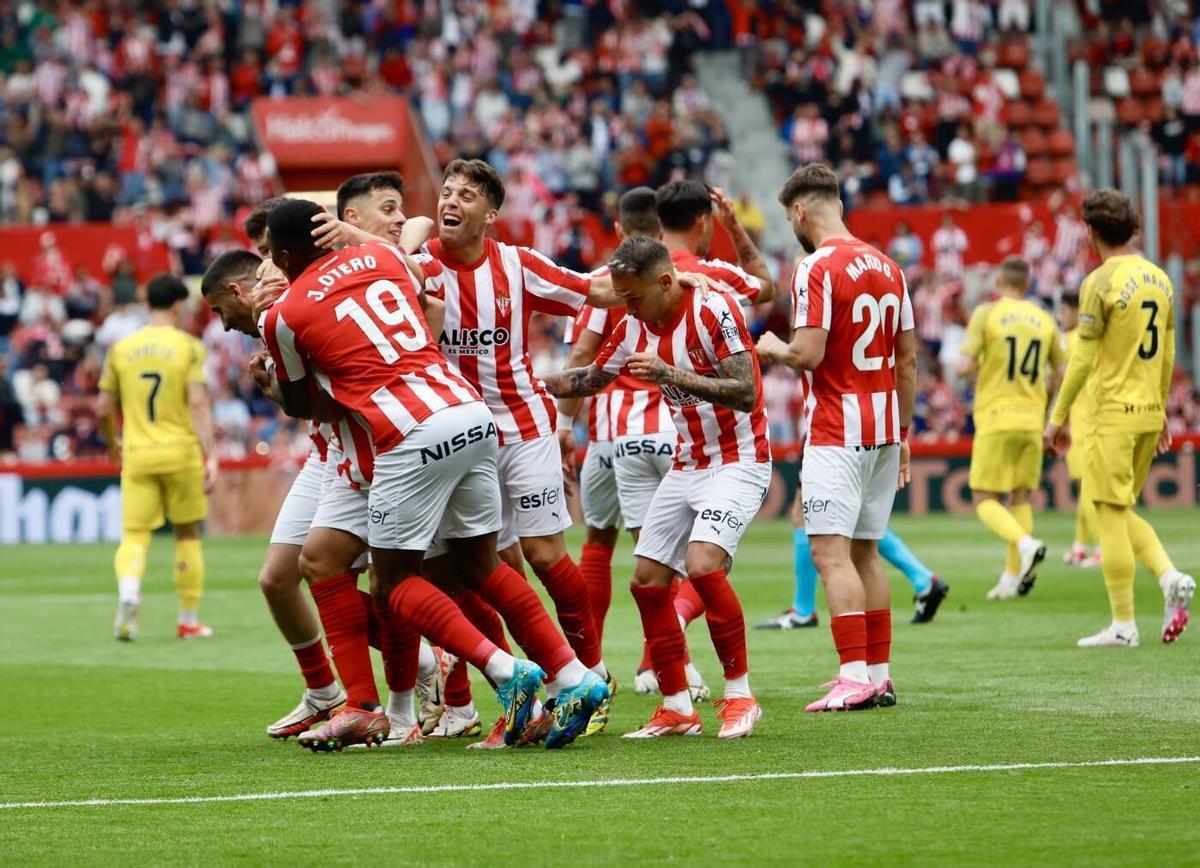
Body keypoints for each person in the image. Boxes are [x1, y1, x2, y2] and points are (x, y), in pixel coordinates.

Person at [252, 198, 610, 749]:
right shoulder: (385, 256)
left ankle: (503, 674)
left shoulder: (283, 314)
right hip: (467, 411)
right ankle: (575, 676)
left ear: (280, 257)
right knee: (479, 565)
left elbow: (305, 405)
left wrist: (270, 376)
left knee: (393, 582)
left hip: (405, 436)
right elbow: (420, 279)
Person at [544, 235, 769, 740]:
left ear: (666, 282)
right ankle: (676, 708)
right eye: (621, 297)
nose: (627, 308)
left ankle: (740, 696)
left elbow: (746, 391)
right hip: (686, 463)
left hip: (739, 460)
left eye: (633, 297)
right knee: (646, 580)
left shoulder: (714, 310)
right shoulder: (633, 325)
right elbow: (593, 378)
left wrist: (672, 374)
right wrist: (530, 386)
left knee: (703, 565)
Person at [423, 159, 618, 730]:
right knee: (494, 568)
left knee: (545, 554)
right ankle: (541, 686)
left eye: (467, 195)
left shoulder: (516, 264)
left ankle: (594, 674)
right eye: (447, 192)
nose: (451, 201)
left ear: (491, 213)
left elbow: (595, 290)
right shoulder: (419, 267)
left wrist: (672, 279)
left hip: (524, 426)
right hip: (460, 439)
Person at [756, 162, 917, 712]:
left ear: (800, 212)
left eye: (790, 219)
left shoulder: (816, 266)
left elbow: (807, 354)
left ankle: (852, 676)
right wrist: (904, 431)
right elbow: (908, 361)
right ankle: (878, 675)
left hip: (835, 428)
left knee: (830, 553)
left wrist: (771, 347)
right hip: (884, 427)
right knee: (867, 552)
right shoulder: (891, 268)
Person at [558, 187, 709, 706]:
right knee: (678, 555)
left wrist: (563, 424)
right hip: (673, 430)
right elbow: (762, 287)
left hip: (610, 435)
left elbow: (582, 355)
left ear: (619, 229)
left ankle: (590, 662)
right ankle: (665, 660)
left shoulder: (607, 283)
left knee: (599, 543)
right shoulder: (686, 274)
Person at [1045, 189, 1195, 647]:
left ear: (1091, 232)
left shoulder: (1100, 282)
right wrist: (1163, 408)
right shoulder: (1160, 279)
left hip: (1112, 413)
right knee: (1119, 508)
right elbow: (1168, 352)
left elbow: (1083, 358)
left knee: (1107, 513)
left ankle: (1124, 624)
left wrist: (1057, 417)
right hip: (1148, 413)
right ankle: (1168, 578)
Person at [98, 273, 217, 641]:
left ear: (147, 303)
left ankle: (129, 591)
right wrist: (211, 455)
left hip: (137, 454)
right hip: (180, 452)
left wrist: (112, 444)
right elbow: (198, 403)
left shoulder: (121, 349)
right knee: (187, 535)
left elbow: (102, 407)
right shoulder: (189, 346)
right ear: (179, 305)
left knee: (134, 535)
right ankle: (188, 619)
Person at [956, 257, 1061, 600]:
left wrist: (981, 368)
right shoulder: (1044, 318)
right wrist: (1051, 411)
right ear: (1028, 284)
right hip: (1032, 419)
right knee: (1021, 496)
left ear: (998, 281)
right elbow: (1061, 373)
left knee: (983, 497)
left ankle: (1025, 543)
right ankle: (1012, 578)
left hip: (997, 416)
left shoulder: (987, 314)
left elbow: (962, 367)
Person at [757, 489, 950, 628]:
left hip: (829, 447)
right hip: (862, 447)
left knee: (806, 511)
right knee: (857, 516)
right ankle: (923, 579)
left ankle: (803, 610)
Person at [1058, 292, 1101, 568]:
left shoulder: (1071, 341)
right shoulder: (1096, 340)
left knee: (1086, 487)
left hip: (1081, 424)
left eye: (1064, 311)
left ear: (1077, 311)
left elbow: (1060, 379)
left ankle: (1102, 547)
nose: (1061, 316)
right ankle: (1080, 545)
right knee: (1083, 487)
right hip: (1091, 420)